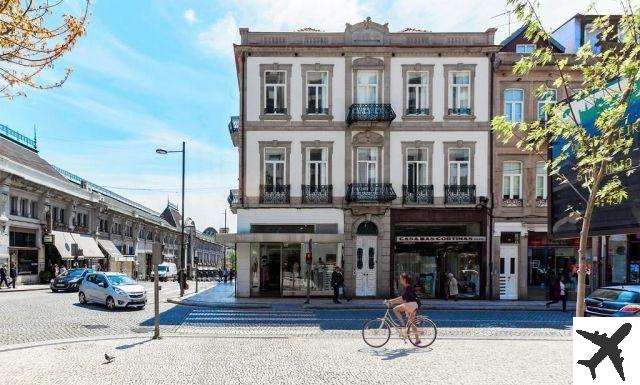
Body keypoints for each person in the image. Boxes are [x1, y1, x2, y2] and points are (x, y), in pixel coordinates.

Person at [386, 273, 421, 343]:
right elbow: (403, 298)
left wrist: (391, 301)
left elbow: (402, 298)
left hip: (412, 304)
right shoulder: (407, 286)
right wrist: (392, 301)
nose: (399, 280)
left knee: (395, 309)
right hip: (413, 304)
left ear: (404, 279)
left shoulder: (408, 287)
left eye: (400, 279)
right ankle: (417, 340)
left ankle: (402, 324)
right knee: (411, 323)